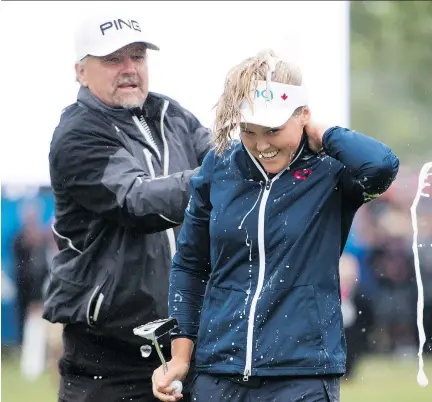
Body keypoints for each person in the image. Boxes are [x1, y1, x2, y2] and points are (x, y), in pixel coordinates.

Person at [151, 49, 400, 402]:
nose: (262, 144)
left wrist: (324, 134)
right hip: (219, 372)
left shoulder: (329, 170)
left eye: (273, 129)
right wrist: (180, 356)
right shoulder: (219, 166)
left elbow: (381, 167)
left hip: (302, 374)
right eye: (249, 131)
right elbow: (191, 266)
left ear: (303, 116)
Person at [43, 12, 211, 402]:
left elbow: (224, 158)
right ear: (81, 71)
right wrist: (220, 177)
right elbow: (137, 201)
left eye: (137, 56)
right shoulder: (76, 134)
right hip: (108, 362)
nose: (129, 68)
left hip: (189, 349)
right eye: (113, 59)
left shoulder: (173, 116)